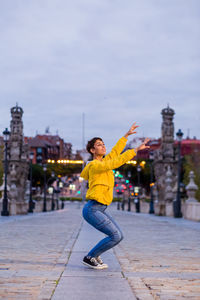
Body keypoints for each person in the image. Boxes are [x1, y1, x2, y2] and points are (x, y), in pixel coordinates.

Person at [80, 122, 149, 269]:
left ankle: (95, 255)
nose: (103, 146)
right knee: (115, 236)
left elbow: (115, 153)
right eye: (99, 144)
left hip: (100, 209)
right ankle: (90, 256)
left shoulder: (104, 162)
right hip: (93, 209)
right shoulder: (94, 165)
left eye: (104, 144)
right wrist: (135, 150)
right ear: (92, 150)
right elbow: (115, 162)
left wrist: (126, 136)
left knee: (119, 236)